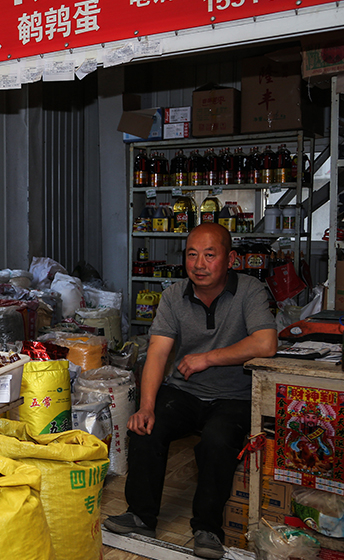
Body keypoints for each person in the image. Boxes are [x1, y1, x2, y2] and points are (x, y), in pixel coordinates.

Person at [104, 223, 277, 559]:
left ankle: (207, 529)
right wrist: (147, 406)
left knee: (217, 439)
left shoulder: (250, 291)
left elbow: (266, 343)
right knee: (146, 428)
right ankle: (141, 515)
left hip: (234, 397)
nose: (199, 263)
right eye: (192, 254)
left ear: (230, 259)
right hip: (185, 392)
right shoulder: (173, 296)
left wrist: (207, 358)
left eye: (210, 255)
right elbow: (157, 352)